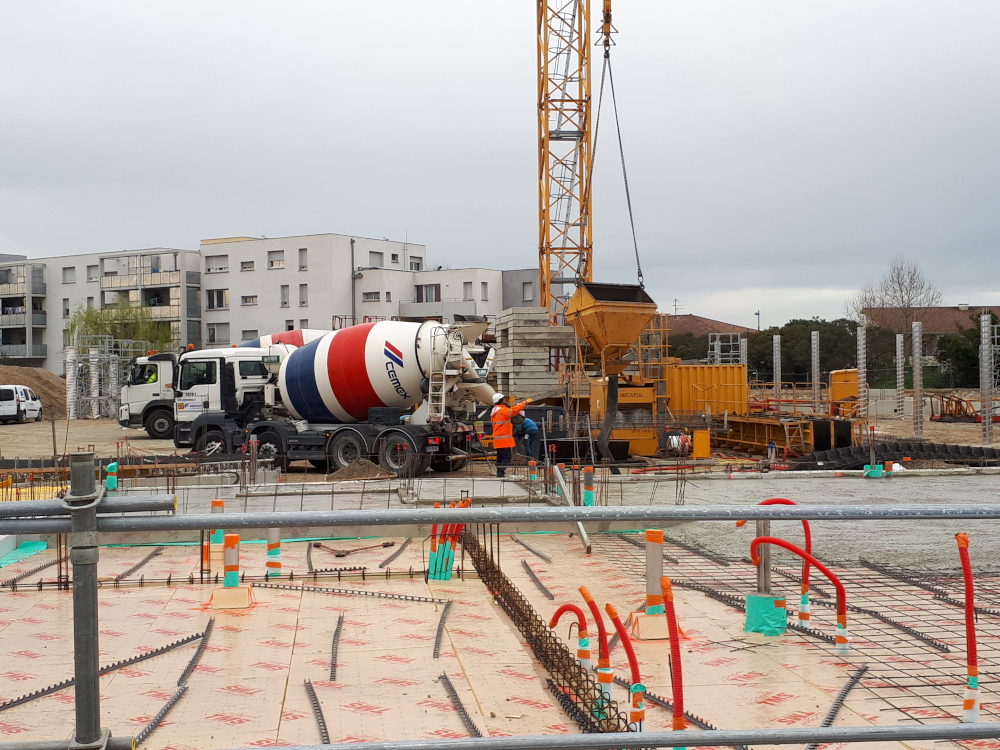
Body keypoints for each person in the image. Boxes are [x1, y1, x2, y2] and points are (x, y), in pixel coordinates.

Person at [490, 392, 531, 477]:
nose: (505, 400)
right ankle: (500, 472)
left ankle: (499, 473)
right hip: (504, 440)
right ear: (501, 401)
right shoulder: (502, 411)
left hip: (498, 440)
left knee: (500, 458)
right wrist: (524, 403)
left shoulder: (494, 411)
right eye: (503, 399)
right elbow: (514, 411)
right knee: (507, 458)